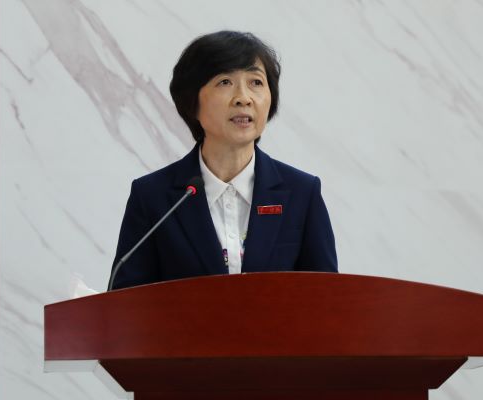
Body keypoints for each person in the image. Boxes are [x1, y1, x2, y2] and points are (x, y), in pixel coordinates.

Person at [110, 31, 337, 290]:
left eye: (256, 82)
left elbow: (327, 300)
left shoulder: (301, 193)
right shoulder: (153, 197)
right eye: (225, 82)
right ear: (192, 101)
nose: (243, 98)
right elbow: (124, 304)